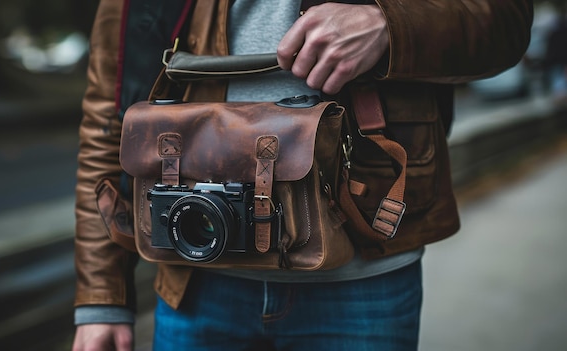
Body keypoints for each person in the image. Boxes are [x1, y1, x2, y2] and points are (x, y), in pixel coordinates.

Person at [72, 1, 533, 350]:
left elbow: (505, 21)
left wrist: (388, 26)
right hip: (196, 276)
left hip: (362, 273)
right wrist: (101, 296)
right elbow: (112, 111)